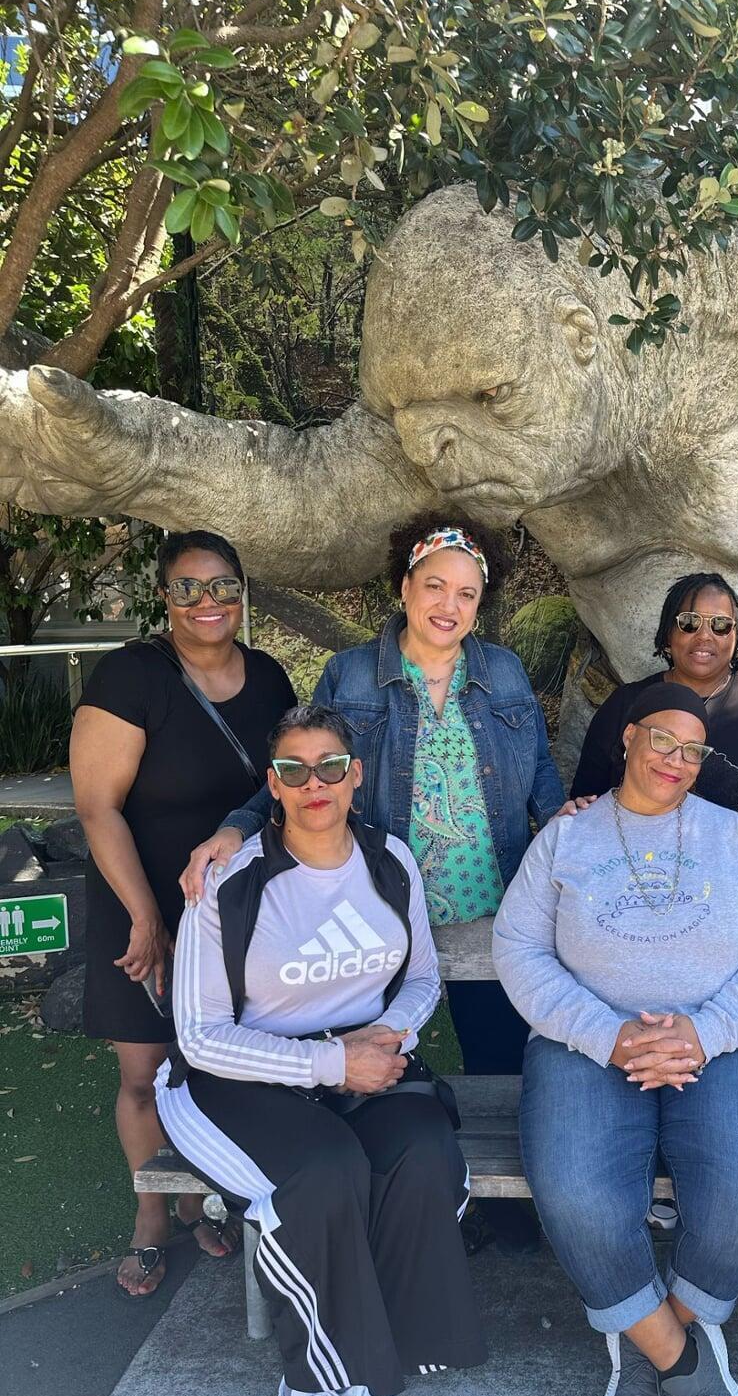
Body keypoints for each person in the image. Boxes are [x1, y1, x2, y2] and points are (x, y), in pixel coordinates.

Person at [180, 517, 570, 1249]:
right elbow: (311, 766)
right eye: (435, 586)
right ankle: (384, 1205)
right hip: (384, 906)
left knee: (500, 1053)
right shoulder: (354, 673)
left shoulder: (505, 673)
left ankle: (512, 1216)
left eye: (467, 593)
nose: (448, 605)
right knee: (377, 1053)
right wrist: (238, 824)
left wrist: (562, 827)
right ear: (405, 588)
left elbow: (540, 773)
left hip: (492, 903)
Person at [157, 705, 485, 1396]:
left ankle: (372, 1379)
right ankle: (309, 1389)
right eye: (295, 770)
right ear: (272, 785)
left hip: (355, 1064)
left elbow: (420, 977)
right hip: (233, 1081)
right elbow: (200, 1037)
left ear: (356, 775)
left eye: (331, 766)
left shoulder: (390, 860)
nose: (316, 785)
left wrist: (387, 1034)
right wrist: (331, 1059)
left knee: (423, 1153)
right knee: (322, 1173)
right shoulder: (228, 883)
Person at [494, 682, 738, 1396]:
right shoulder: (565, 840)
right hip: (586, 1044)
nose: (676, 761)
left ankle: (650, 1335)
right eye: (662, 741)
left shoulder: (734, 838)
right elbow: (519, 948)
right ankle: (683, 1364)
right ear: (628, 740)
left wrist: (704, 1030)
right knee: (575, 1195)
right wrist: (611, 1034)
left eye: (693, 750)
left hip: (725, 1041)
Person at [71, 530, 295, 1297]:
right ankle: (152, 1218)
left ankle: (209, 1196)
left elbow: (284, 790)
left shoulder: (268, 679)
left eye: (223, 586)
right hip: (141, 897)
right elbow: (98, 809)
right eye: (189, 588)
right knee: (147, 1072)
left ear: (242, 592)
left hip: (233, 909)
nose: (208, 603)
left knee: (215, 1067)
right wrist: (147, 918)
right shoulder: (132, 677)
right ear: (164, 596)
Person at [571, 571, 738, 914]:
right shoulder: (626, 706)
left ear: (737, 636)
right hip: (638, 890)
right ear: (667, 634)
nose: (704, 636)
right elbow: (588, 800)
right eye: (688, 623)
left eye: (720, 625)